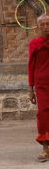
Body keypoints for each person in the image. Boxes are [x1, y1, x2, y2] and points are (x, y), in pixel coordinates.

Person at [29, 14, 49, 161]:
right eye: (42, 24)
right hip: (41, 85)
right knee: (42, 115)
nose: (45, 27)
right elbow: (31, 66)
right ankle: (45, 148)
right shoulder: (34, 44)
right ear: (38, 27)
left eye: (48, 24)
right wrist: (31, 88)